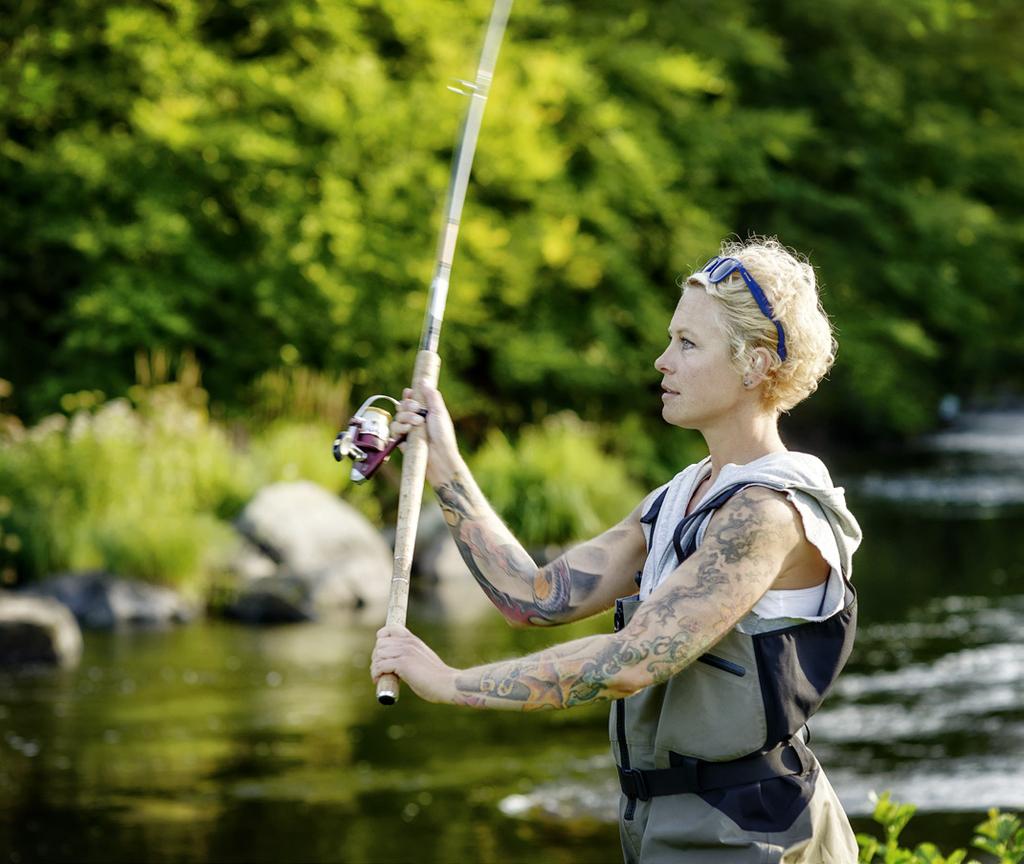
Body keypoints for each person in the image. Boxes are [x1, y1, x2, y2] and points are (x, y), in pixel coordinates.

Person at [371, 236, 862, 863]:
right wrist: (444, 462)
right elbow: (536, 599)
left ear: (756, 364)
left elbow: (628, 662)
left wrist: (450, 682)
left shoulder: (768, 514)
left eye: (687, 344)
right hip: (661, 823)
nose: (662, 361)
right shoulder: (681, 496)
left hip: (751, 832)